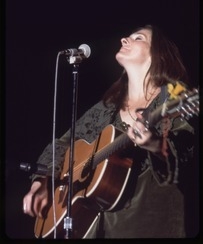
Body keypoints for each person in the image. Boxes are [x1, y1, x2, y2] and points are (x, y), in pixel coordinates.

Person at [22, 24, 199, 239]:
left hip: (147, 225)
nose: (125, 39)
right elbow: (62, 143)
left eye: (138, 38)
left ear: (159, 55)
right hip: (95, 229)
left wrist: (155, 144)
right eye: (128, 36)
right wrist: (42, 181)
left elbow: (189, 149)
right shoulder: (107, 106)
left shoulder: (177, 93)